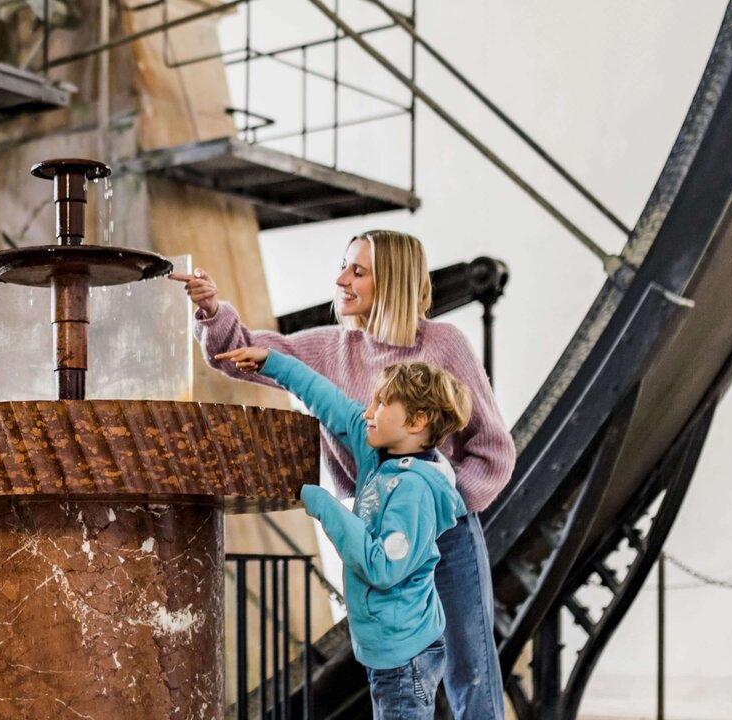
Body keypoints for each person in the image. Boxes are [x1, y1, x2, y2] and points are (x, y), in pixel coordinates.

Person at [170, 230, 515, 718]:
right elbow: (244, 351)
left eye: (358, 270)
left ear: (391, 279)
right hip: (378, 529)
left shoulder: (446, 345)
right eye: (344, 266)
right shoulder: (331, 349)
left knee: (470, 671)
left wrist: (441, 501)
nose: (341, 279)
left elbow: (494, 451)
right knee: (398, 676)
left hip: (450, 535)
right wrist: (209, 309)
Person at [217, 349, 470, 718]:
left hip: (406, 657)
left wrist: (322, 502)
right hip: (387, 649)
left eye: (382, 403)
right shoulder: (378, 456)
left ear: (416, 421)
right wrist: (273, 362)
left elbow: (381, 567)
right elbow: (329, 400)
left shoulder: (414, 491)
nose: (368, 411)